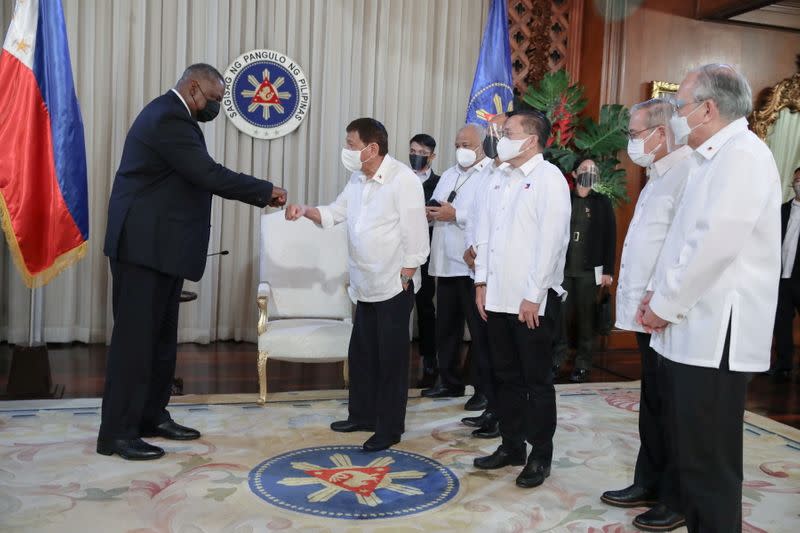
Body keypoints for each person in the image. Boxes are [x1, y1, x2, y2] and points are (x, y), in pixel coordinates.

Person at [99, 63, 286, 461]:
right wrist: (264, 191)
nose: (216, 108)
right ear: (195, 87)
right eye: (215, 100)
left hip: (161, 249)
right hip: (142, 248)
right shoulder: (168, 116)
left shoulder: (181, 118)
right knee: (135, 344)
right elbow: (207, 174)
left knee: (161, 341)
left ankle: (152, 416)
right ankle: (116, 433)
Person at [640, 64, 781, 532]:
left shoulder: (743, 156)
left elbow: (712, 246)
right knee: (691, 453)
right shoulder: (710, 158)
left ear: (708, 108)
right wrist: (657, 295)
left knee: (709, 464)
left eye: (680, 107)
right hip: (691, 328)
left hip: (715, 334)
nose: (677, 117)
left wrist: (663, 305)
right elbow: (683, 242)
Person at [285, 118, 429, 452]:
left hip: (394, 284)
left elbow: (416, 235)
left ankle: (389, 427)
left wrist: (407, 275)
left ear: (372, 148)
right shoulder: (357, 179)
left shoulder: (403, 180)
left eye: (351, 144)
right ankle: (362, 415)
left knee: (391, 360)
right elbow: (335, 213)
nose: (346, 150)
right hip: (364, 283)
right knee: (363, 354)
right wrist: (305, 210)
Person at [600, 98, 694, 532]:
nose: (632, 143)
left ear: (662, 132)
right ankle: (649, 480)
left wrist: (659, 303)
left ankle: (677, 497)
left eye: (637, 134)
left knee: (674, 408)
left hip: (667, 312)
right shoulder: (658, 174)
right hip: (645, 311)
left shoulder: (688, 173)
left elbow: (682, 250)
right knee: (653, 402)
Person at [472, 110, 571, 489]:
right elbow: (484, 231)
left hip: (531, 303)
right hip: (496, 296)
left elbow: (552, 242)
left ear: (531, 140)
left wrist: (534, 295)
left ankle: (540, 455)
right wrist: (481, 282)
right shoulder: (499, 176)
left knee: (537, 381)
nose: (501, 138)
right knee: (505, 376)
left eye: (508, 132)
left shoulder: (550, 180)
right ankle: (511, 445)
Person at [421, 124, 493, 412]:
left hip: (471, 265)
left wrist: (456, 215)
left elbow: (487, 214)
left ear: (481, 146)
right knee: (446, 329)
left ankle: (483, 389)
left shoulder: (490, 173)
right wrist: (431, 211)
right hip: (444, 262)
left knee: (478, 331)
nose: (461, 149)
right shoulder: (450, 174)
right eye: (457, 144)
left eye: (467, 144)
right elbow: (439, 206)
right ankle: (449, 380)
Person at [460, 112, 511, 438]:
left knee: (501, 353)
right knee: (484, 345)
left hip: (502, 277)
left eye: (501, 130)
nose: (495, 135)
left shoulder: (516, 176)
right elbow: (476, 218)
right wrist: (470, 248)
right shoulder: (486, 173)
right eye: (491, 130)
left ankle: (503, 415)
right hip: (477, 271)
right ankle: (491, 408)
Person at [551, 158, 616, 383]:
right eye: (584, 169)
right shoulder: (564, 199)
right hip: (563, 270)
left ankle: (583, 365)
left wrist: (608, 270)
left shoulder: (602, 202)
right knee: (558, 317)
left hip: (590, 272)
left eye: (593, 170)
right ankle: (556, 360)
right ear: (575, 174)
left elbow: (610, 237)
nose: (589, 173)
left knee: (587, 320)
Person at [409, 133, 440, 388]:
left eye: (421, 152)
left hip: (428, 252)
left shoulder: (441, 183)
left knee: (425, 305)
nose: (415, 156)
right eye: (412, 150)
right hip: (400, 251)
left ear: (431, 156)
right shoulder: (400, 178)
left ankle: (429, 355)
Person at [771, 166, 800, 383]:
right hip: (781, 278)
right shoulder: (781, 210)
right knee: (780, 323)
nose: (798, 183)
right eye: (796, 179)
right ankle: (783, 364)